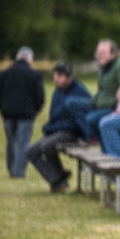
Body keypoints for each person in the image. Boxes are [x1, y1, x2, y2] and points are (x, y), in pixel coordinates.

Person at [25, 62, 91, 192]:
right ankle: (58, 179)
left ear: (69, 77)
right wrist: (49, 128)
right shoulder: (57, 92)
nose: (56, 79)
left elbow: (80, 120)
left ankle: (58, 180)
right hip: (56, 131)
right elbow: (54, 116)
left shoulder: (80, 92)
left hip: (72, 132)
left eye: (60, 76)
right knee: (30, 152)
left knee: (47, 146)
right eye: (55, 76)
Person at [65, 39, 120, 143]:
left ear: (113, 54)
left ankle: (95, 137)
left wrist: (117, 106)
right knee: (71, 102)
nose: (99, 55)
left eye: (103, 53)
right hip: (98, 103)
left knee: (91, 118)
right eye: (98, 53)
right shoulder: (103, 67)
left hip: (111, 107)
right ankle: (91, 136)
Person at [0, 46, 45, 178]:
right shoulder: (34, 75)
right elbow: (40, 98)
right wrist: (33, 111)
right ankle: (18, 172)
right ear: (30, 59)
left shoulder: (4, 74)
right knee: (24, 143)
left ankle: (12, 168)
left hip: (8, 114)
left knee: (11, 142)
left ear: (17, 58)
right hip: (26, 116)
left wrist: (4, 109)